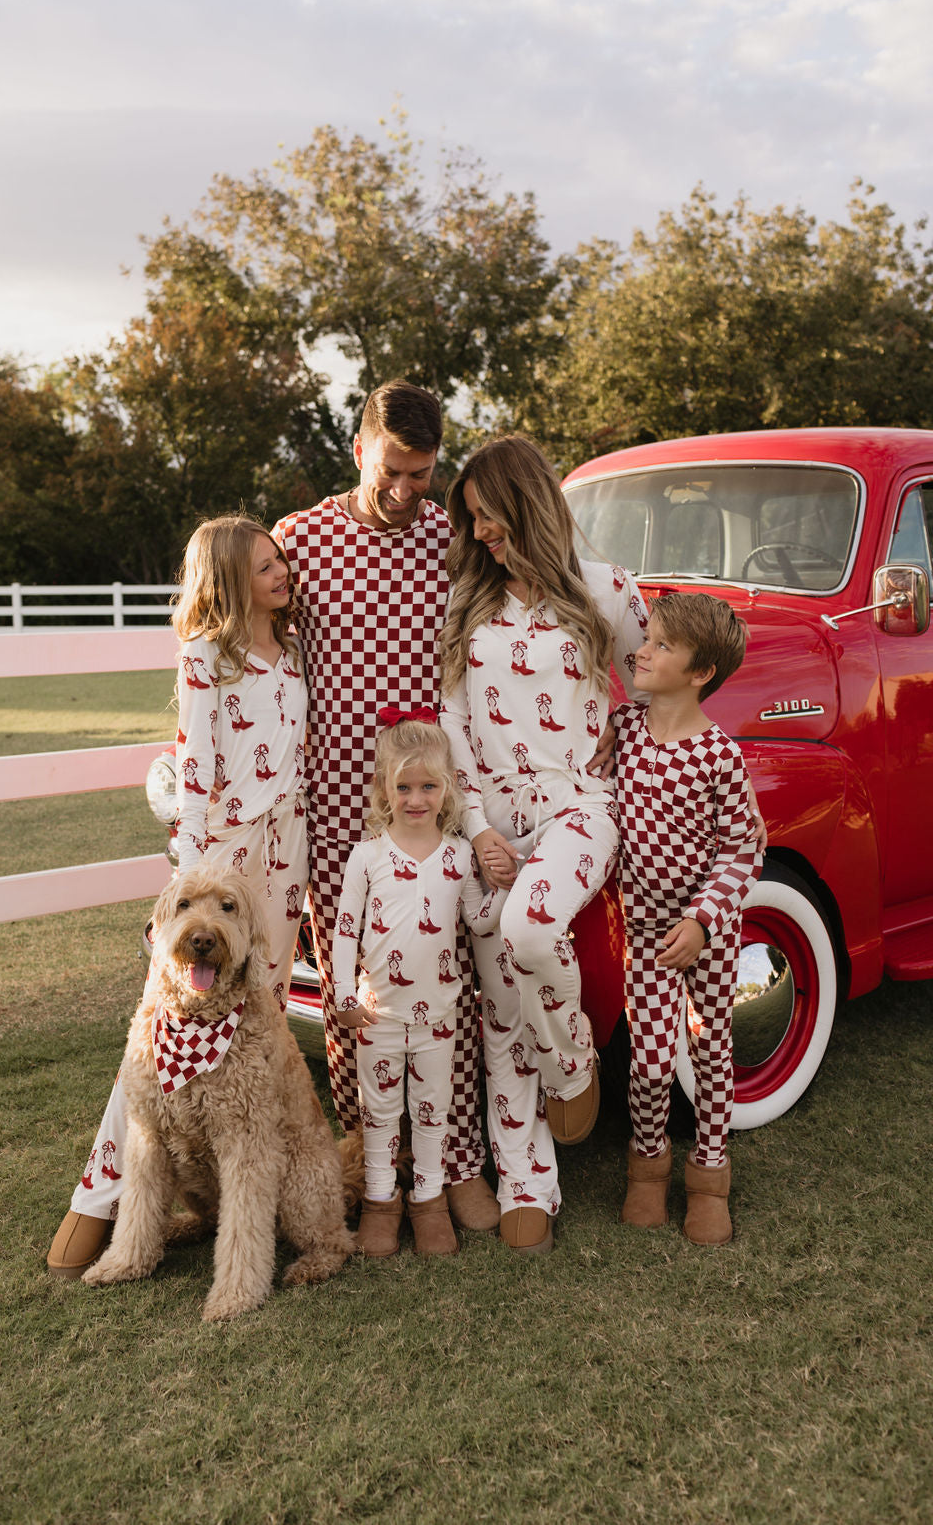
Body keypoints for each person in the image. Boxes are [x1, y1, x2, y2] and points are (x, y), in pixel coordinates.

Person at [47, 515, 309, 1276]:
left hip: (284, 862)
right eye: (263, 567)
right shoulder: (205, 658)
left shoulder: (291, 652)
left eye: (280, 561)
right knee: (161, 1039)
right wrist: (188, 890)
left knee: (255, 1026)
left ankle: (245, 1197)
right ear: (229, 580)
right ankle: (101, 1195)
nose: (281, 573)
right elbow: (193, 777)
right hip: (222, 859)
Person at [271, 381, 500, 1233]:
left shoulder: (448, 536)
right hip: (337, 799)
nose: (408, 489)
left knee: (453, 977)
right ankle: (373, 1165)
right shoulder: (300, 539)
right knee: (352, 989)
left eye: (425, 472)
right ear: (360, 448)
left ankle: (458, 1162)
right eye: (395, 469)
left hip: (430, 800)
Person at [438, 433, 650, 1254]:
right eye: (474, 524)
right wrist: (478, 827)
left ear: (527, 503)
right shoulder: (468, 602)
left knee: (529, 931)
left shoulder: (606, 591)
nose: (483, 535)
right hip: (493, 818)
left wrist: (624, 727)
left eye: (491, 519)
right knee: (499, 1001)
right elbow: (453, 722)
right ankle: (527, 1176)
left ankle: (573, 1068)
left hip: (579, 811)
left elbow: (673, 671)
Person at [613, 592, 762, 1245]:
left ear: (700, 672)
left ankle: (709, 1175)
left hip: (705, 932)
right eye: (647, 637)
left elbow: (744, 847)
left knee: (708, 1048)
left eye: (662, 645)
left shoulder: (718, 755)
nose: (643, 650)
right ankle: (648, 1168)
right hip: (644, 930)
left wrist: (702, 920)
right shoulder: (623, 729)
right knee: (647, 1060)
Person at [332, 712, 507, 1259]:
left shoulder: (457, 857)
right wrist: (342, 997)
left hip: (439, 1018)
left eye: (428, 786)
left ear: (447, 788)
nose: (415, 798)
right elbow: (343, 931)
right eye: (403, 786)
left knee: (434, 1112)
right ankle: (382, 1203)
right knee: (380, 1114)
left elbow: (477, 922)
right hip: (378, 1018)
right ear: (384, 788)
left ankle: (428, 1200)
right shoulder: (367, 857)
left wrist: (505, 885)